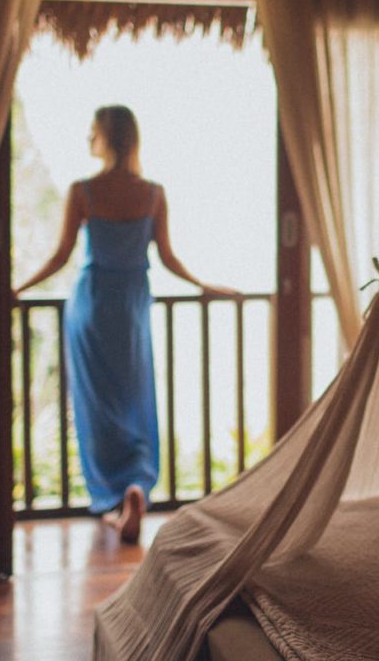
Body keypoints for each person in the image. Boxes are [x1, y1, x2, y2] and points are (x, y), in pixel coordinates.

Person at [15, 105, 235, 543]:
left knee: (98, 407)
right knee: (135, 399)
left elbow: (60, 257)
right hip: (132, 306)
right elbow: (168, 259)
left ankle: (115, 498)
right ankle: (136, 487)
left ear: (107, 138)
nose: (87, 139)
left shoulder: (84, 191)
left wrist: (17, 289)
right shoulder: (152, 193)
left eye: (92, 132)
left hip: (92, 305)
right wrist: (205, 286)